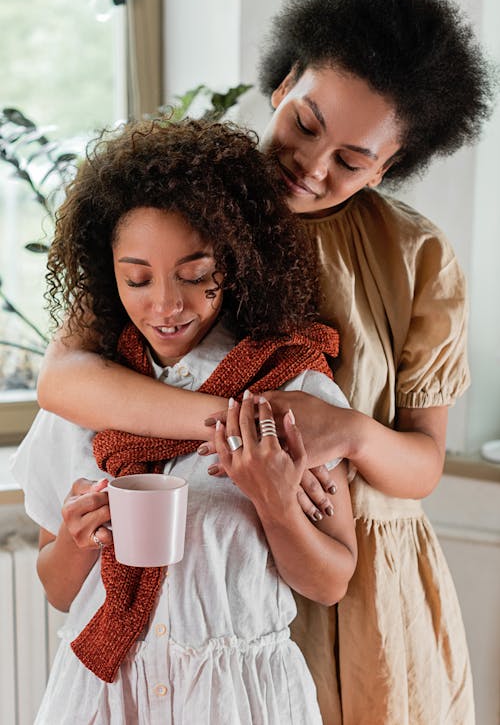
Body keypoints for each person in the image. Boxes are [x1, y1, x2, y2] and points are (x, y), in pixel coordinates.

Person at [35, 0, 496, 723]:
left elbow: (424, 463)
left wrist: (344, 429)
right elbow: (63, 379)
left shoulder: (416, 255)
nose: (312, 166)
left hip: (360, 578)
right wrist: (238, 423)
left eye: (353, 160)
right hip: (216, 567)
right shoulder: (187, 207)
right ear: (282, 83)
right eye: (305, 122)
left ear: (391, 165)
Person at [12, 118, 357, 724]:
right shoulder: (81, 401)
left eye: (196, 275)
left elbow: (330, 582)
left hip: (239, 701)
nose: (166, 306)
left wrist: (277, 503)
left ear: (238, 260)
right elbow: (59, 589)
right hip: (103, 695)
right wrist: (74, 539)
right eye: (137, 279)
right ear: (106, 272)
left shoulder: (291, 391)